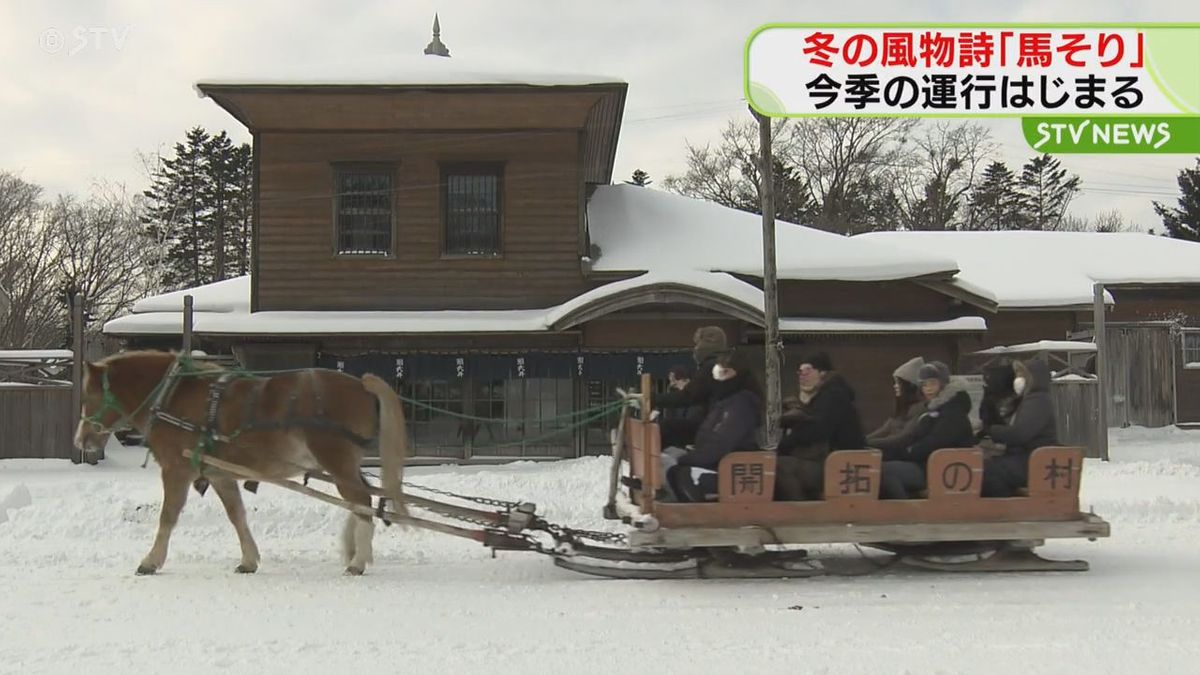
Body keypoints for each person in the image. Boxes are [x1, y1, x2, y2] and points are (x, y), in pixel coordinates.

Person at [665, 350, 763, 502]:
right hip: (719, 463)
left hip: (732, 468)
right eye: (718, 372)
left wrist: (690, 458)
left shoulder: (741, 403)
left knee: (683, 474)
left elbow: (722, 442)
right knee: (675, 473)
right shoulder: (724, 401)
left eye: (726, 372)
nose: (720, 378)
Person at [774, 352, 866, 501]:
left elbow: (818, 429)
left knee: (779, 466)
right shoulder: (823, 394)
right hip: (828, 459)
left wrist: (788, 442)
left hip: (839, 464)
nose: (802, 375)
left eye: (807, 371)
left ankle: (801, 511)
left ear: (823, 373)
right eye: (800, 372)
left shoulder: (833, 395)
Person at [878, 361, 976, 499]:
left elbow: (935, 442)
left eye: (933, 383)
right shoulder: (933, 409)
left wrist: (908, 452)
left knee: (882, 471)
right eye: (924, 385)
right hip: (926, 463)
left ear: (943, 384)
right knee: (882, 466)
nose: (928, 389)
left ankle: (905, 511)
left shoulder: (953, 411)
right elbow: (914, 437)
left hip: (938, 469)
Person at [982, 358, 1058, 498]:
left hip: (1034, 459)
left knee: (989, 473)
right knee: (986, 465)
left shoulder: (1038, 401)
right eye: (1017, 375)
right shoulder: (1029, 399)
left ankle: (1009, 509)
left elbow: (1020, 434)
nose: (1018, 379)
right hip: (1027, 456)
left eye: (1022, 375)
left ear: (1033, 378)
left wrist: (991, 431)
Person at [652, 326, 730, 448]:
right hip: (721, 423)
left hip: (713, 426)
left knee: (666, 428)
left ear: (707, 345)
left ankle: (662, 465)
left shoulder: (712, 368)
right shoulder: (725, 364)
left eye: (698, 344)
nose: (695, 349)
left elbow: (688, 396)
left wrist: (653, 399)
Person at [865, 356, 927, 453]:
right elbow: (883, 431)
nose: (895, 386)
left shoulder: (920, 409)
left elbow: (902, 439)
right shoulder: (902, 409)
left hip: (903, 456)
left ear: (909, 386)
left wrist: (867, 443)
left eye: (898, 383)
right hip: (889, 452)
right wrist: (861, 440)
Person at [658, 365, 705, 448]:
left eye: (676, 380)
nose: (673, 384)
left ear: (687, 381)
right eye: (671, 381)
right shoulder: (674, 398)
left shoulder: (698, 399)